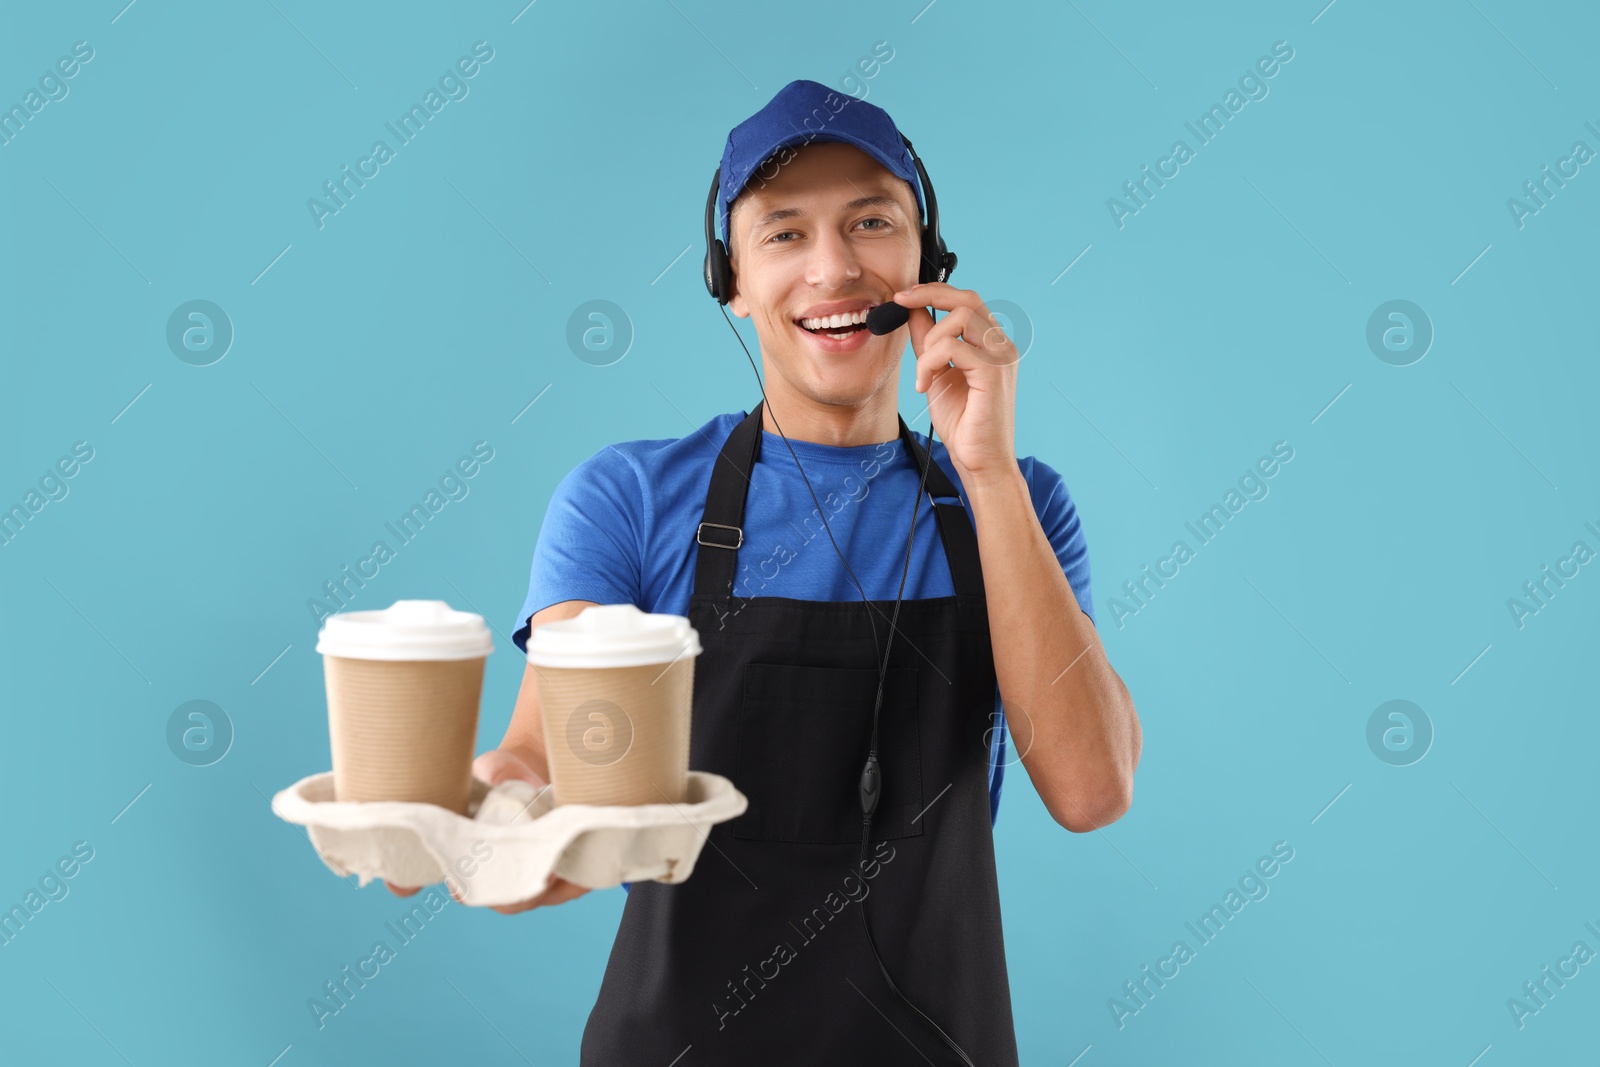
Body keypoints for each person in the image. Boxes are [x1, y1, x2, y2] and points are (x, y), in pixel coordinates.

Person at [393, 79, 1141, 1064]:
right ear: (731, 282)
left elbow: (1091, 791)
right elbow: (546, 768)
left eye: (870, 221)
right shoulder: (632, 497)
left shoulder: (1018, 503)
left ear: (927, 261)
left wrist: (987, 471)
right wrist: (462, 814)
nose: (832, 268)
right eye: (783, 234)